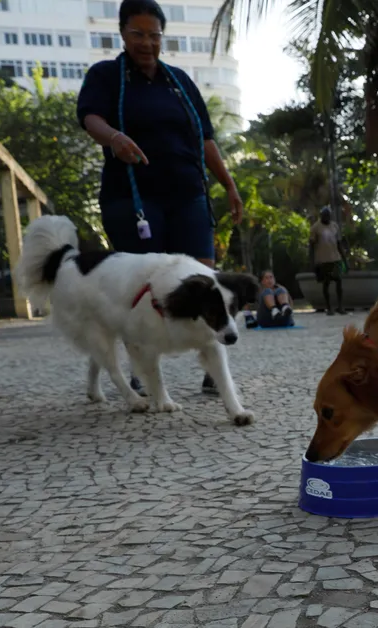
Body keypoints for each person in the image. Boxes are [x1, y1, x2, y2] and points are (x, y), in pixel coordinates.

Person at [76, 0, 243, 394]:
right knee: (139, 288)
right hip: (133, 198)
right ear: (122, 33)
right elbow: (90, 117)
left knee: (205, 281)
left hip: (188, 194)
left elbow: (205, 139)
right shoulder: (105, 76)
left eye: (154, 35)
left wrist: (229, 185)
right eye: (138, 34)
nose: (147, 43)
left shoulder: (180, 82)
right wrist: (114, 138)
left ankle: (214, 371)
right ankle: (139, 369)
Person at [310, 206, 348, 316]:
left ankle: (340, 306)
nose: (327, 217)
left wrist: (345, 260)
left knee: (339, 281)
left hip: (335, 258)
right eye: (325, 215)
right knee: (326, 284)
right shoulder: (316, 228)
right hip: (322, 259)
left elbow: (339, 243)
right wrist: (312, 262)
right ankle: (329, 307)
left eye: (328, 215)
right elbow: (311, 246)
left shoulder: (334, 226)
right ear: (321, 216)